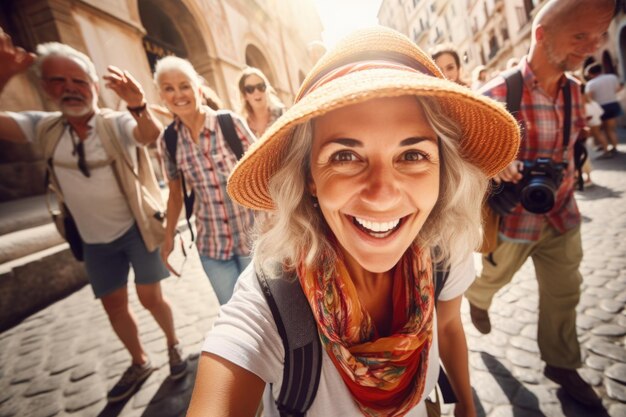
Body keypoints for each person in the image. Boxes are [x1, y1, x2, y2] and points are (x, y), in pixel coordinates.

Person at [186, 26, 520, 417]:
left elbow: (447, 326)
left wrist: (465, 404)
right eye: (345, 157)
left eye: (412, 156)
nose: (382, 194)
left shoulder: (444, 248)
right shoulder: (270, 301)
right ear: (309, 176)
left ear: (443, 171)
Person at [0, 31, 187, 402]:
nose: (71, 89)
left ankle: (173, 344)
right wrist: (3, 76)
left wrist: (138, 105)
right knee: (113, 304)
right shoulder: (44, 127)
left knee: (150, 297)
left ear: (94, 88)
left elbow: (148, 134)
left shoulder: (113, 123)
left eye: (79, 81)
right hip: (93, 239)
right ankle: (139, 360)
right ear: (45, 87)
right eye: (59, 80)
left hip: (137, 230)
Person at [464, 0, 615, 408]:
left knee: (565, 291)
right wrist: (496, 162)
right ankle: (477, 298)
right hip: (514, 220)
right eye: (579, 36)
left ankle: (562, 363)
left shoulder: (576, 90)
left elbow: (572, 146)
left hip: (563, 211)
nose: (591, 46)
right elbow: (464, 162)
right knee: (493, 278)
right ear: (541, 34)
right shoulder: (493, 95)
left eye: (598, 36)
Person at [155, 56, 256, 305]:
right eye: (169, 88)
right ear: (162, 96)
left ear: (198, 89)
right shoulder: (167, 141)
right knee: (235, 316)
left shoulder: (230, 123)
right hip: (212, 246)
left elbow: (264, 171)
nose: (178, 94)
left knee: (269, 316)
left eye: (184, 85)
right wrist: (167, 239)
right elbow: (175, 194)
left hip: (253, 240)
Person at [584, 62, 623, 157]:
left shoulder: (591, 83)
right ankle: (614, 147)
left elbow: (589, 98)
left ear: (591, 73)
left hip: (600, 107)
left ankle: (605, 149)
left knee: (599, 130)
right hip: (613, 104)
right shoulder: (612, 77)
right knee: (611, 129)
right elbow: (618, 89)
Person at [237, 66, 285, 137]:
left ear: (267, 89)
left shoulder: (282, 114)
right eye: (250, 89)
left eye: (260, 86)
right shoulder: (242, 125)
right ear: (244, 95)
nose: (257, 92)